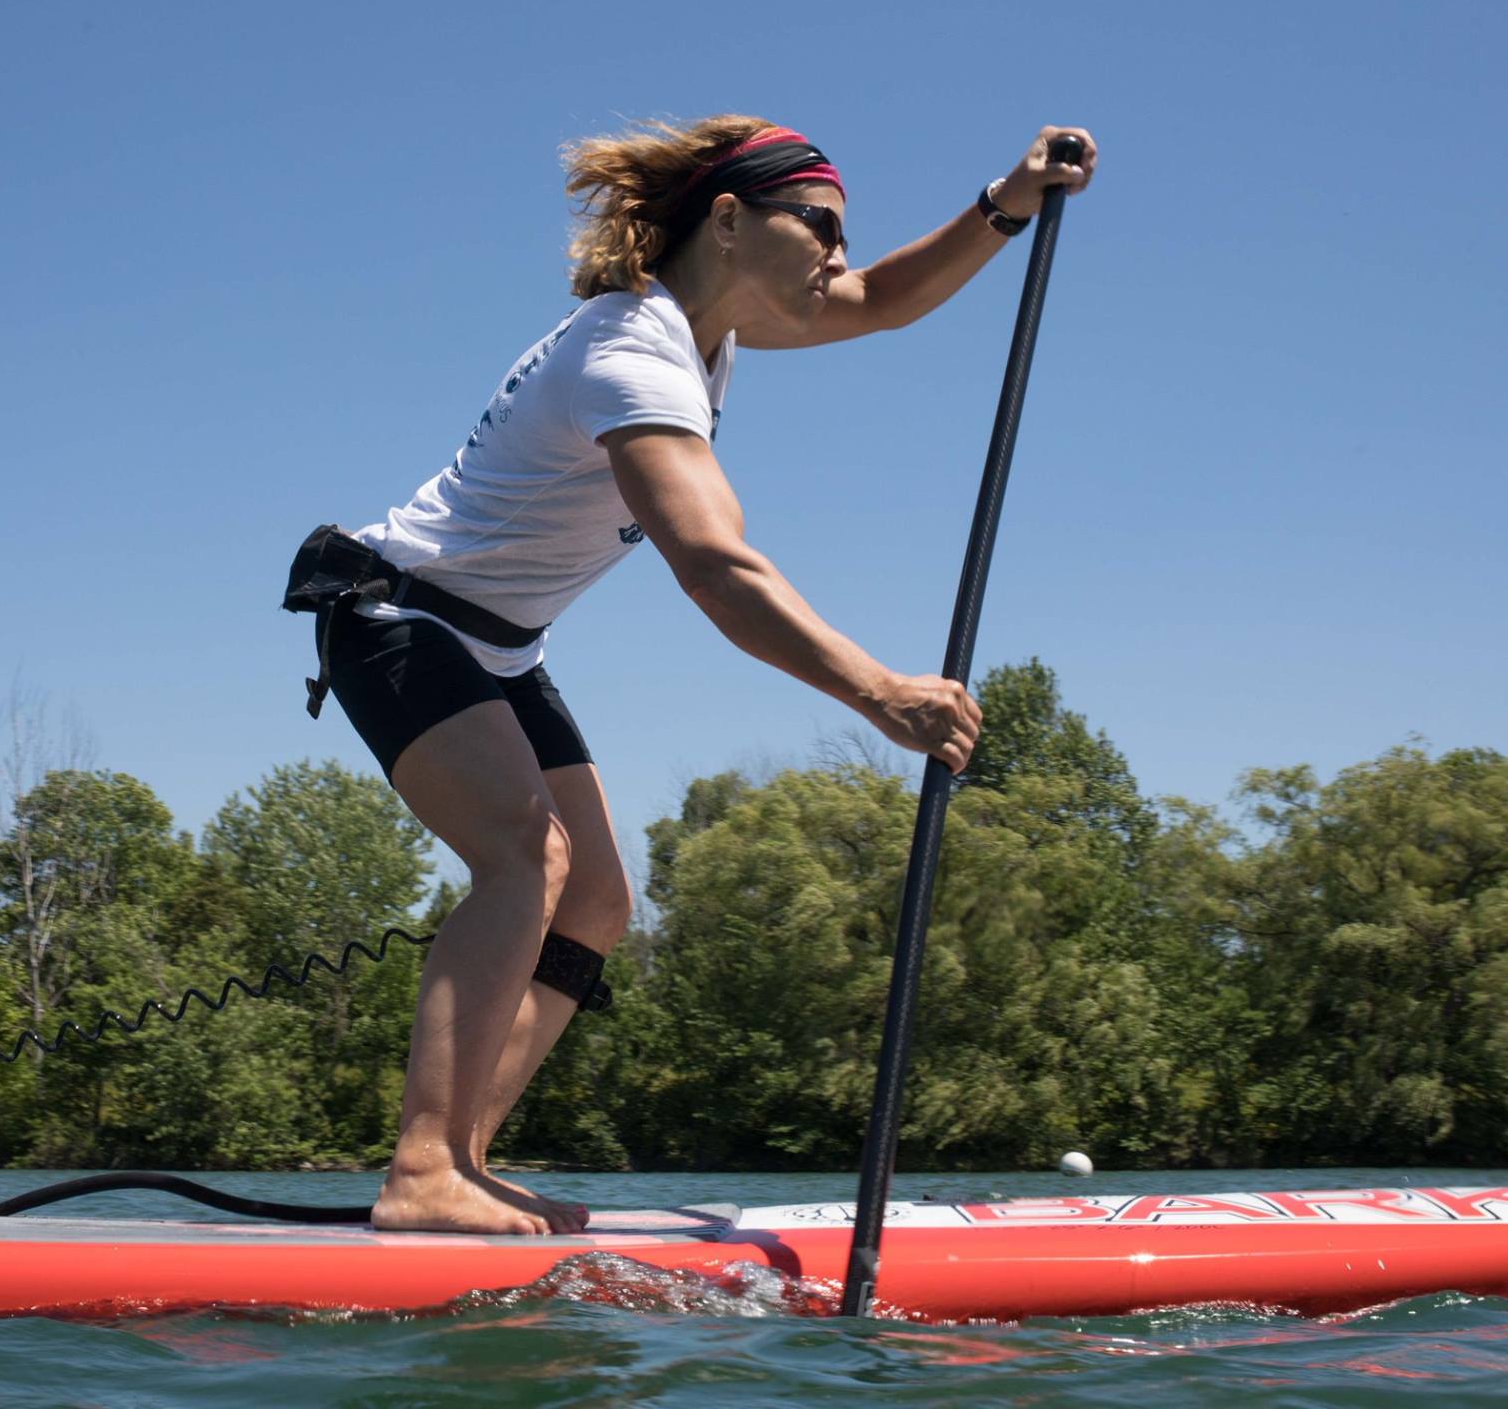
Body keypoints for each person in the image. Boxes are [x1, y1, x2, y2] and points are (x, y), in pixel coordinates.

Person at [305, 116, 1096, 1235]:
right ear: (727, 221)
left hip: (497, 640)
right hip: (397, 618)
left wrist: (1004, 204)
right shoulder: (629, 352)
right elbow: (715, 569)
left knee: (595, 899)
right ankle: (422, 1171)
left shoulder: (705, 334)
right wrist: (879, 691)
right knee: (522, 855)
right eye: (816, 223)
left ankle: (461, 1166)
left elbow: (881, 301)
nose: (835, 249)